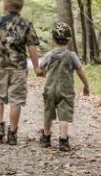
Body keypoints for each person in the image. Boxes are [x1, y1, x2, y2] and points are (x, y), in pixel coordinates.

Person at [0, 0, 41, 145]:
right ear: (21, 6)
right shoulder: (26, 24)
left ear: (5, 4)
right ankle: (13, 133)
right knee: (17, 100)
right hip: (19, 69)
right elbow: (32, 46)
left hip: (1, 67)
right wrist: (37, 67)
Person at [37, 22, 89, 152]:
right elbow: (80, 71)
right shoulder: (71, 56)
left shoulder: (49, 55)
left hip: (50, 89)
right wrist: (86, 85)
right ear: (69, 39)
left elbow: (40, 70)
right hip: (66, 90)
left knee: (48, 113)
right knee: (64, 115)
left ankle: (46, 137)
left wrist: (43, 74)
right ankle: (63, 140)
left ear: (53, 39)